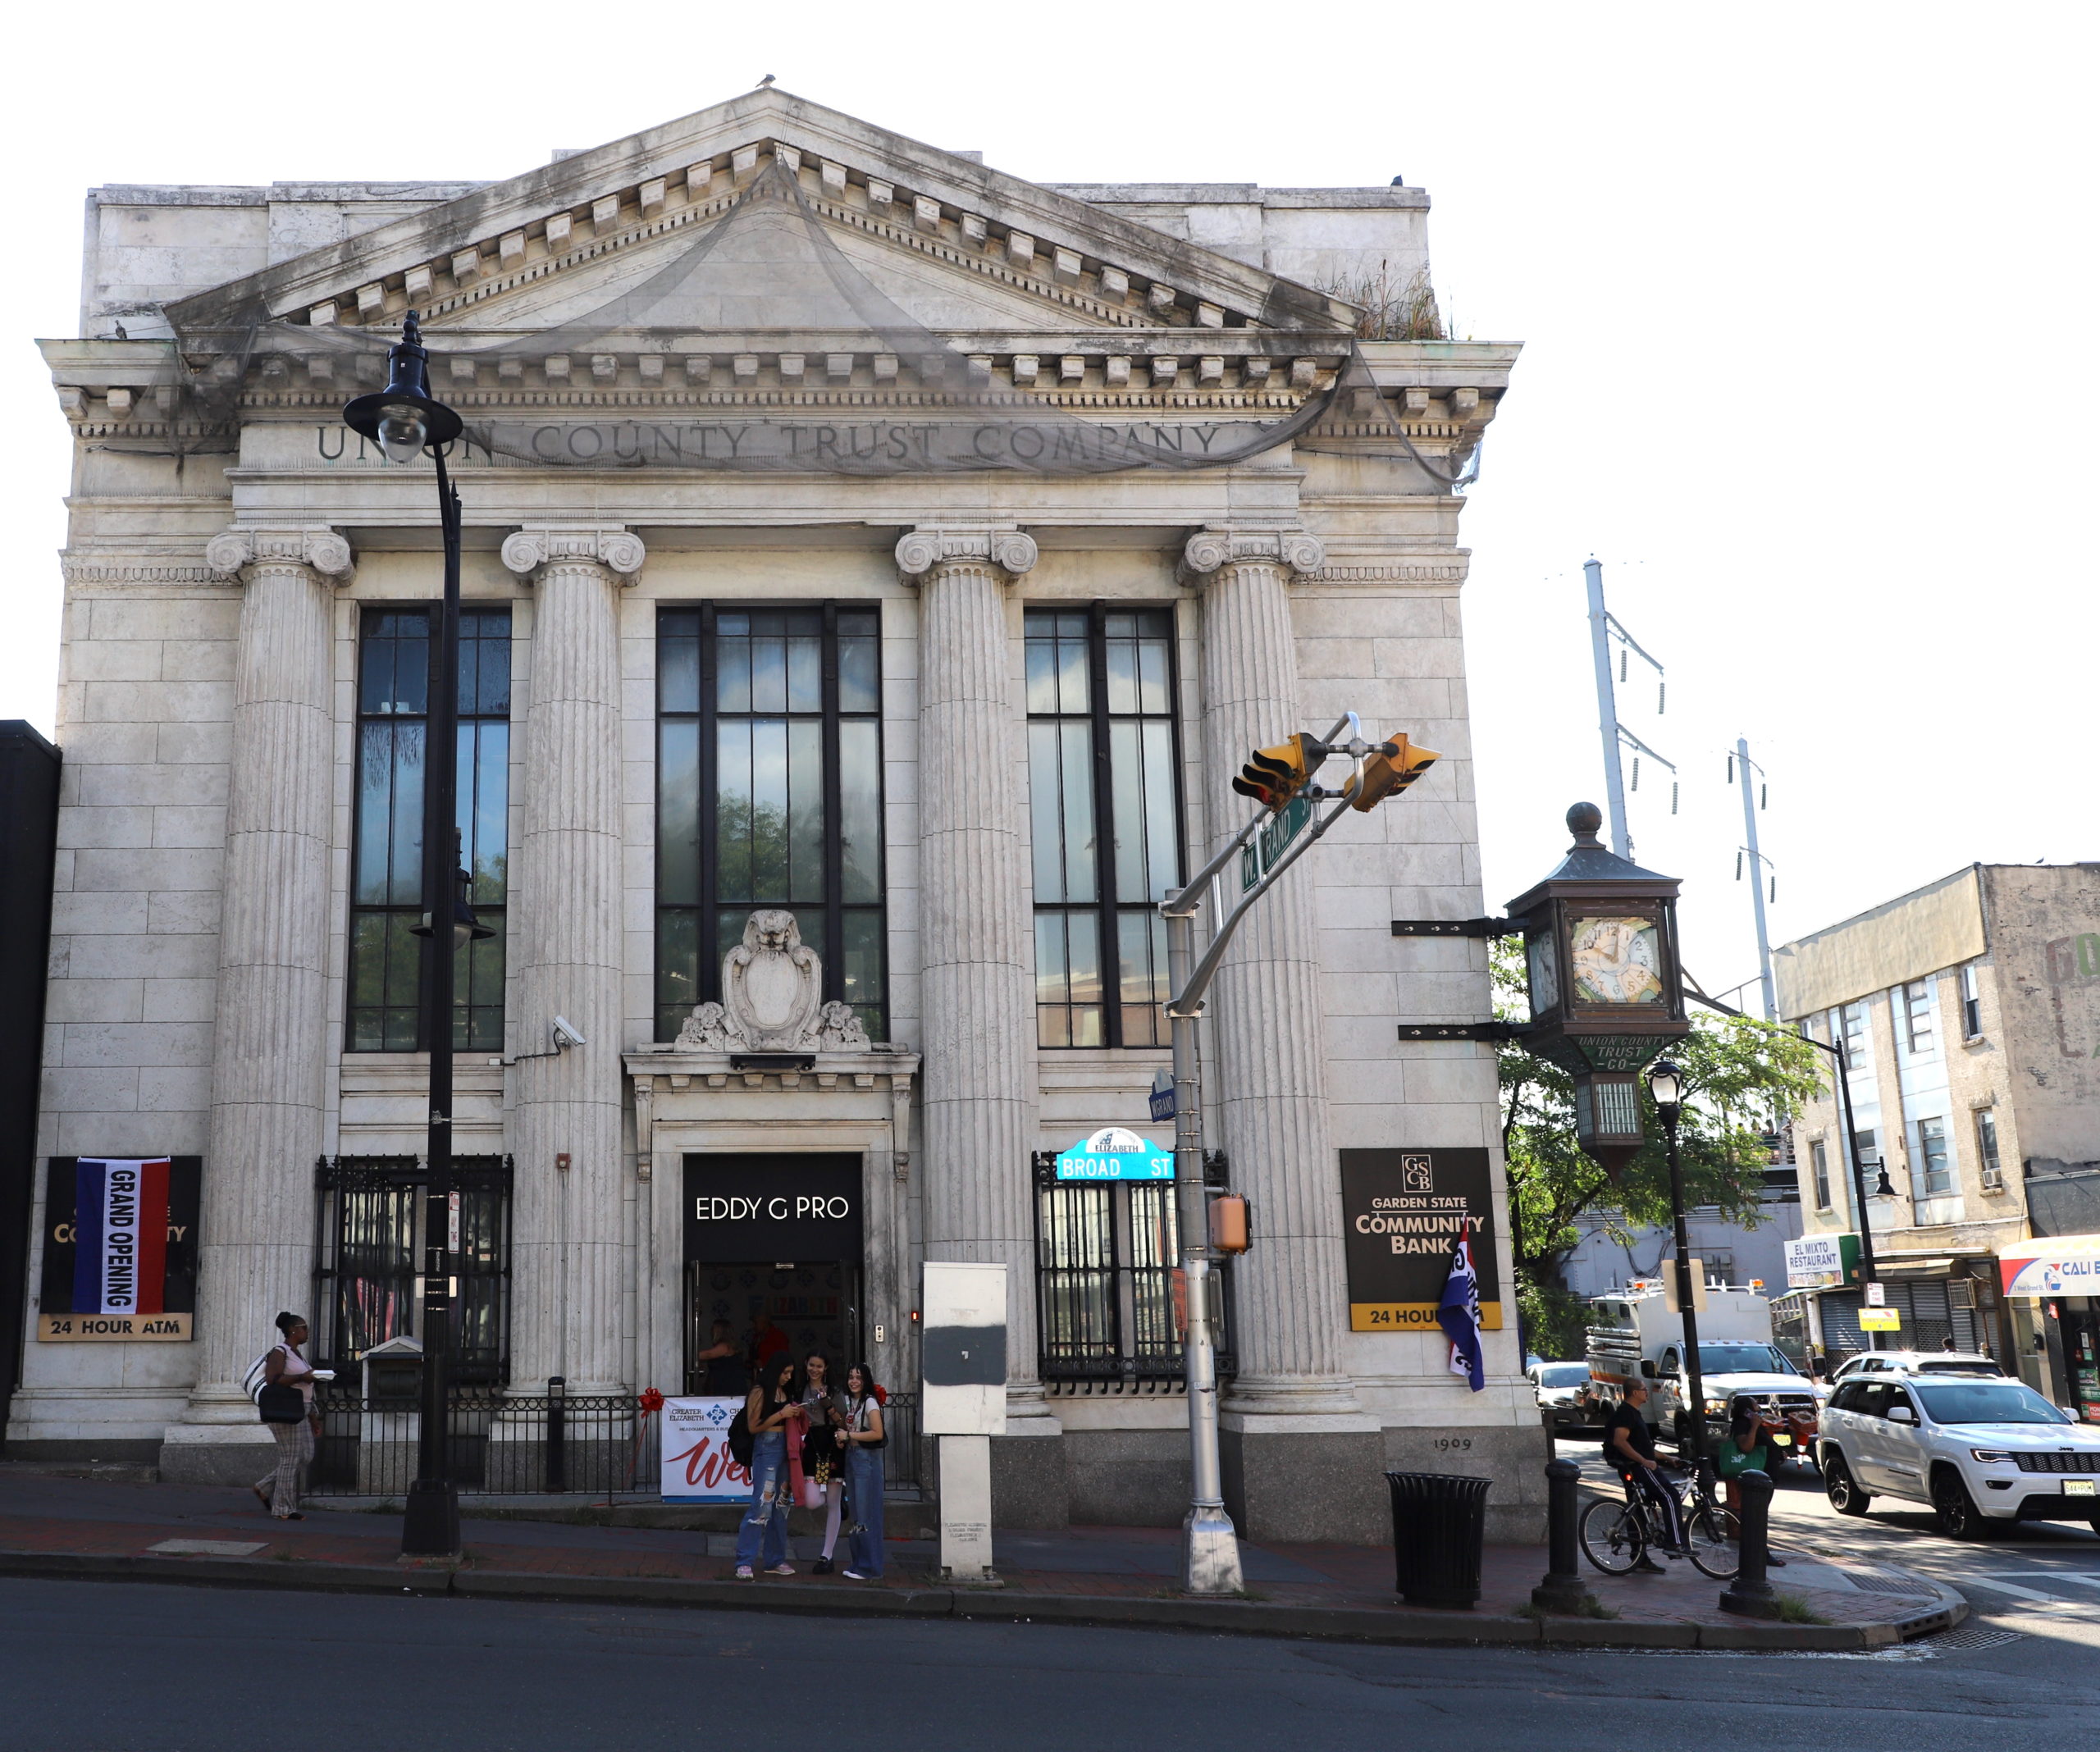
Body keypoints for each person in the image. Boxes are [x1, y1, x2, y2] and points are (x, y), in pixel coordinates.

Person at [734, 1353, 804, 1580]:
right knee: (762, 1504)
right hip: (768, 1446)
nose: (788, 1377)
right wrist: (782, 1414)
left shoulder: (784, 1391)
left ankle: (775, 1559)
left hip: (786, 1447)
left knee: (781, 1506)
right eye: (785, 1372)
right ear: (775, 1371)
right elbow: (753, 1426)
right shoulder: (759, 1391)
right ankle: (745, 1561)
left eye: (791, 1373)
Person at [1605, 1380, 1685, 1570]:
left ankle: (1639, 1558)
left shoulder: (1634, 1414)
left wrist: (1668, 1459)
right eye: (1643, 1389)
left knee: (1639, 1510)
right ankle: (1674, 1543)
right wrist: (1642, 1460)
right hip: (1637, 1467)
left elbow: (1645, 1447)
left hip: (1637, 1465)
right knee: (1669, 1495)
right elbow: (1619, 1441)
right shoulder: (1626, 1413)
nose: (1647, 1392)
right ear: (1634, 1393)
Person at [253, 1312, 321, 1521]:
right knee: (290, 1459)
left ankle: (264, 1486)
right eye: (304, 1328)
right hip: (286, 1411)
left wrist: (314, 1418)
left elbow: (306, 1388)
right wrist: (302, 1377)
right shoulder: (279, 1352)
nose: (307, 1332)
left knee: (305, 1455)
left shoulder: (297, 1353)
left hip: (303, 1410)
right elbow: (273, 1379)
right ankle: (283, 1509)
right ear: (293, 1330)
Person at [1721, 1394, 1787, 1566]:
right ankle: (1760, 1554)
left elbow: (1764, 1443)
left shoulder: (1753, 1424)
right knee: (1756, 1517)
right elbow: (1746, 1446)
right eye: (1755, 1406)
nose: (1759, 1408)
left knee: (1758, 1516)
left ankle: (1758, 1553)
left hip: (1766, 1477)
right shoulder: (1743, 1424)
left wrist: (1779, 1452)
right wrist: (1755, 1425)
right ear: (1747, 1411)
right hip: (1757, 1480)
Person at [800, 1353, 847, 1573]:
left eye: (819, 1366)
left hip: (831, 1442)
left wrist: (827, 1404)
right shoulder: (799, 1388)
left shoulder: (835, 1391)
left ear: (826, 1367)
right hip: (810, 1443)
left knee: (833, 1503)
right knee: (810, 1500)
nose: (815, 1370)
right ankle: (839, 1502)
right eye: (812, 1365)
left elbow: (843, 1421)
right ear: (806, 1365)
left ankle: (826, 1556)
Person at [838, 1362, 886, 1581]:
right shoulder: (850, 1402)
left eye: (858, 1377)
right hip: (852, 1457)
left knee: (867, 1515)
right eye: (851, 1377)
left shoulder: (870, 1402)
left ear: (865, 1380)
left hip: (866, 1460)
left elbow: (877, 1433)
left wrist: (849, 1437)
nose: (854, 1381)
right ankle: (858, 1564)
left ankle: (870, 1568)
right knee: (857, 1515)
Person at [695, 1319, 750, 1398]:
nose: (712, 1331)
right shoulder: (726, 1346)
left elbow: (708, 1354)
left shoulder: (725, 1346)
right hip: (724, 1386)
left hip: (730, 1387)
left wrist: (687, 1356)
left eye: (713, 1329)